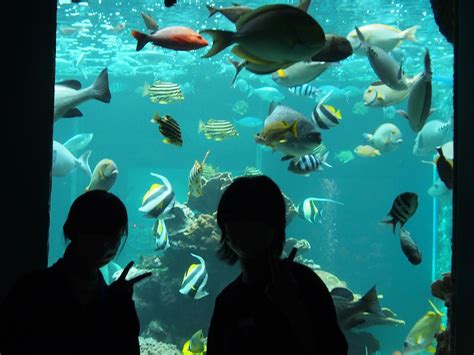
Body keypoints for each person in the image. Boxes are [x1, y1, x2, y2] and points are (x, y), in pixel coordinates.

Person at [207, 175, 348, 354]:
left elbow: (335, 348)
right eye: (234, 217)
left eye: (254, 217)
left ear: (275, 226)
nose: (243, 227)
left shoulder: (304, 284)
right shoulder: (227, 301)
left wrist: (294, 309)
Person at [0, 190, 151, 354]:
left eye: (117, 235)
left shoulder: (32, 285)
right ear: (75, 230)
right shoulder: (32, 290)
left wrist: (122, 305)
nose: (112, 244)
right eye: (102, 232)